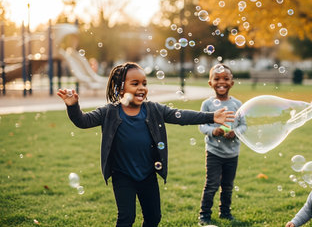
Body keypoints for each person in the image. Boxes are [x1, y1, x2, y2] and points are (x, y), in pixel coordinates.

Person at [57, 62, 234, 227]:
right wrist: (73, 106)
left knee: (154, 217)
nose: (142, 88)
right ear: (120, 89)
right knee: (126, 217)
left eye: (144, 83)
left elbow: (181, 115)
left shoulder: (154, 109)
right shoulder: (109, 112)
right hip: (122, 175)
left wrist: (211, 116)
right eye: (135, 83)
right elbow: (83, 121)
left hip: (147, 174)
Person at [198, 64, 246, 225]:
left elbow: (244, 125)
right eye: (217, 78)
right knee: (211, 184)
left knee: (227, 185)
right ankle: (204, 215)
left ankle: (225, 212)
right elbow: (202, 125)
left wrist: (236, 132)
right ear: (210, 83)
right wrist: (214, 131)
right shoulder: (207, 104)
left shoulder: (238, 104)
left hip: (232, 154)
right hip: (214, 152)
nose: (221, 82)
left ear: (232, 83)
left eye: (226, 78)